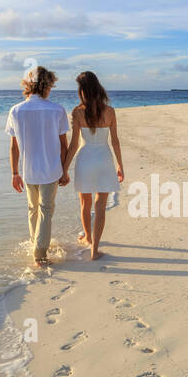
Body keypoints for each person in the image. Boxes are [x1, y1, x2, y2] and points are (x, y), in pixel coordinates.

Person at [5, 65, 69, 267]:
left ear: (28, 85)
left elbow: (14, 147)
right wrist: (65, 170)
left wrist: (15, 172)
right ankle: (40, 255)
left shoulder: (16, 110)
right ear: (46, 85)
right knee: (45, 210)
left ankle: (36, 243)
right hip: (51, 168)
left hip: (28, 169)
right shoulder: (57, 110)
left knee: (33, 209)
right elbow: (63, 145)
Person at [61, 71, 124, 261]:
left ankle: (88, 238)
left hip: (85, 159)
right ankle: (94, 250)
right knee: (101, 206)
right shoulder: (110, 111)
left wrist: (64, 168)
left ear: (82, 91)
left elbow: (73, 145)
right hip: (104, 159)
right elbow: (115, 142)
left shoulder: (77, 112)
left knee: (85, 203)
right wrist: (120, 165)